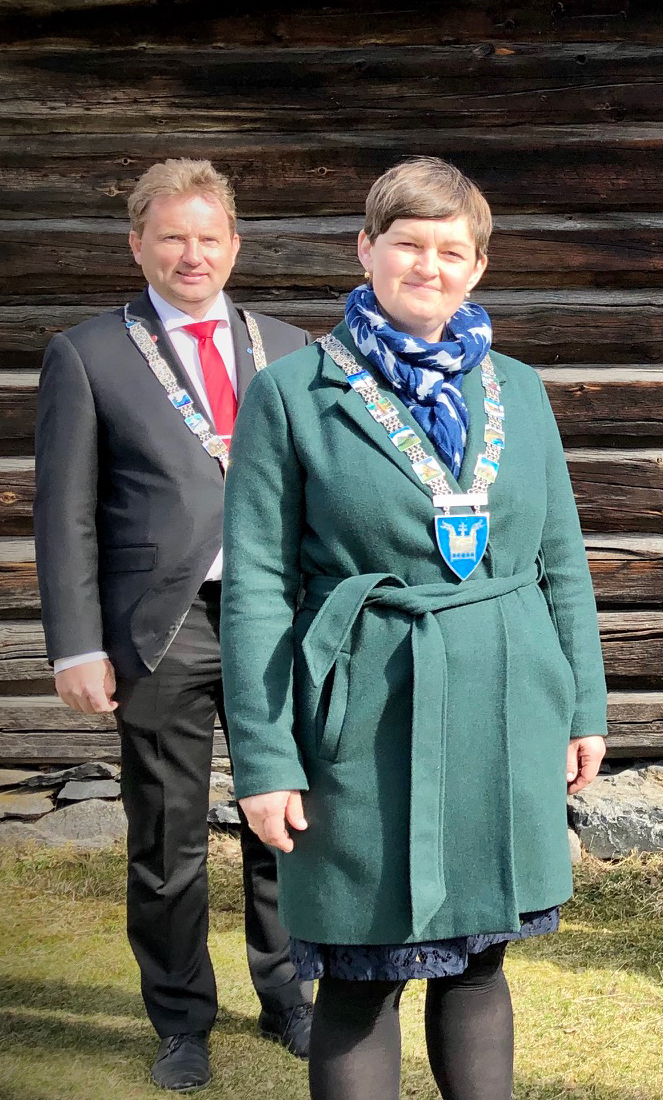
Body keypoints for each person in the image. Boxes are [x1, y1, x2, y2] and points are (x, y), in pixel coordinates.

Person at [221, 156, 608, 1100]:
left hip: (505, 702)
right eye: (408, 245)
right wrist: (265, 761)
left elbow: (562, 554)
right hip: (363, 708)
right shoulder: (290, 393)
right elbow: (259, 588)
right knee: (363, 967)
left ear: (477, 265)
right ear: (366, 250)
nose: (428, 266)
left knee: (479, 961)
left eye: (451, 250)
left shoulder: (519, 388)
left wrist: (582, 704)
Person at [33, 157, 314, 1091]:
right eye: (171, 237)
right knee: (168, 835)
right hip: (162, 625)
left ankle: (290, 996)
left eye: (208, 237)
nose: (191, 254)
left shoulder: (290, 345)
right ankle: (181, 1019)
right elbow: (64, 511)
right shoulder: (88, 353)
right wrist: (77, 642)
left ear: (234, 245)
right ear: (138, 245)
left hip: (282, 620)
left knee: (289, 818)